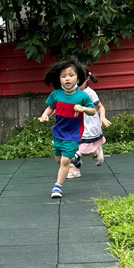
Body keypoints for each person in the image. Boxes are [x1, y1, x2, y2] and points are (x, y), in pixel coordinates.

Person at [38, 59, 96, 198]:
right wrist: (45, 115)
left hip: (73, 134)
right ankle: (75, 158)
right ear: (59, 79)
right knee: (59, 159)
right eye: (63, 76)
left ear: (78, 78)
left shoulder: (82, 96)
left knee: (64, 162)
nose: (67, 79)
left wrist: (83, 108)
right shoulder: (56, 94)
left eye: (71, 75)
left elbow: (93, 111)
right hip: (58, 132)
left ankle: (57, 187)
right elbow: (50, 107)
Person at [66, 71, 109, 178]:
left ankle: (95, 152)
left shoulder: (90, 93)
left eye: (80, 82)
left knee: (84, 148)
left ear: (87, 80)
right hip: (74, 123)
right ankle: (74, 168)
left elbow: (100, 106)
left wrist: (102, 117)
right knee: (70, 146)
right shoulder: (70, 92)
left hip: (89, 124)